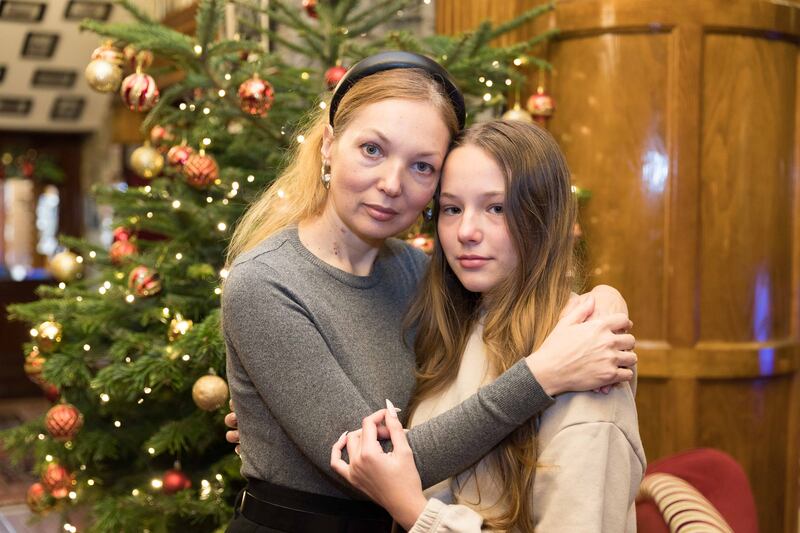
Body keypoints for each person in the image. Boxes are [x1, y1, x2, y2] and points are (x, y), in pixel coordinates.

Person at [222, 51, 637, 533]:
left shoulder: (423, 274)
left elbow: (514, 318)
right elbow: (376, 464)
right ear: (329, 146)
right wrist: (541, 376)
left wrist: (603, 303)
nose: (391, 184)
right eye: (372, 150)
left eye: (422, 166)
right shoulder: (266, 281)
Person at [331, 120, 645, 532]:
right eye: (452, 208)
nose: (466, 232)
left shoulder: (586, 357)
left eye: (496, 208)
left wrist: (414, 511)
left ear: (542, 219)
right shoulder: (452, 326)